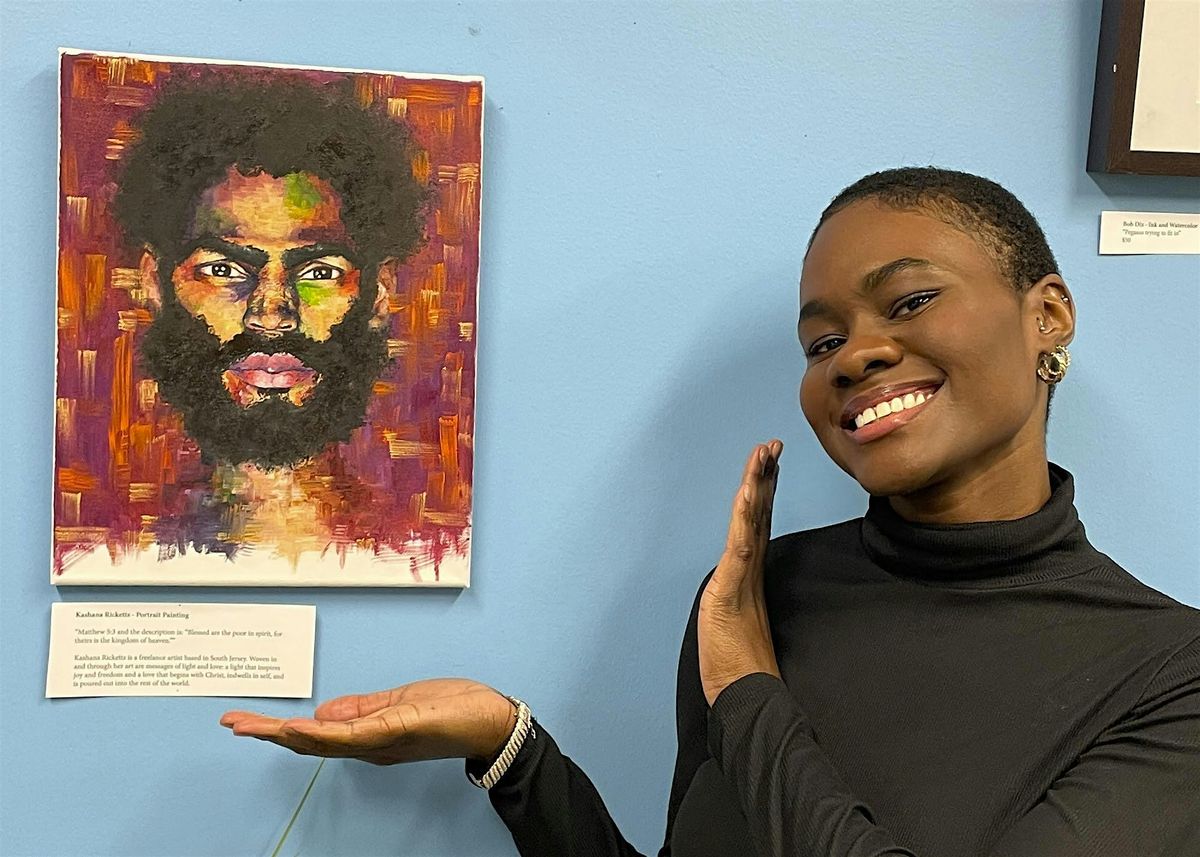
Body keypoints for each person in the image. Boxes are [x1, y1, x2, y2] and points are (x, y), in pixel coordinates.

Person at [221, 168, 1200, 856]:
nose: (855, 354)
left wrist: (745, 685)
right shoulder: (757, 594)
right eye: (822, 342)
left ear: (1048, 315)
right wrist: (509, 746)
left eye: (908, 302)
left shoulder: (1170, 672)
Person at [111, 75, 427, 556]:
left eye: (319, 272)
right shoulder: (126, 553)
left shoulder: (413, 554)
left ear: (378, 292)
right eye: (223, 269)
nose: (272, 315)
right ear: (155, 283)